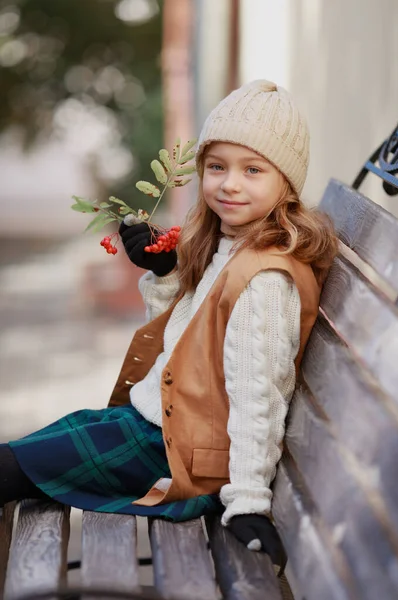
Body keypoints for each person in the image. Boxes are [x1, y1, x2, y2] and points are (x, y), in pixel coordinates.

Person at [0, 80, 337, 571]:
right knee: (35, 450)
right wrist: (164, 274)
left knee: (10, 467)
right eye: (217, 167)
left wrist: (246, 501)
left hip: (175, 454)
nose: (230, 184)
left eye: (253, 170)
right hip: (156, 427)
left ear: (286, 182)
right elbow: (185, 339)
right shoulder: (232, 243)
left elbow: (257, 394)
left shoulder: (265, 279)